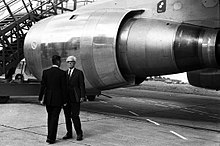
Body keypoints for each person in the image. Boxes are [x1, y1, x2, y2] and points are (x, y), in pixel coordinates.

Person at [39, 55, 67, 144]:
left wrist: (40, 98)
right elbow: (64, 89)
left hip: (48, 99)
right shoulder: (62, 73)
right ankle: (51, 138)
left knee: (50, 118)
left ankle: (49, 137)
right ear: (58, 62)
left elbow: (43, 86)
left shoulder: (46, 72)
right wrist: (65, 101)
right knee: (55, 119)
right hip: (58, 99)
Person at [63, 55, 86, 141]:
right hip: (66, 99)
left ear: (74, 63)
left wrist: (82, 96)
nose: (70, 63)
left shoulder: (79, 73)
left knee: (75, 116)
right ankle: (69, 133)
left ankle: (79, 133)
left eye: (71, 62)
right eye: (68, 62)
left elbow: (81, 85)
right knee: (67, 116)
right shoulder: (65, 73)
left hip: (75, 97)